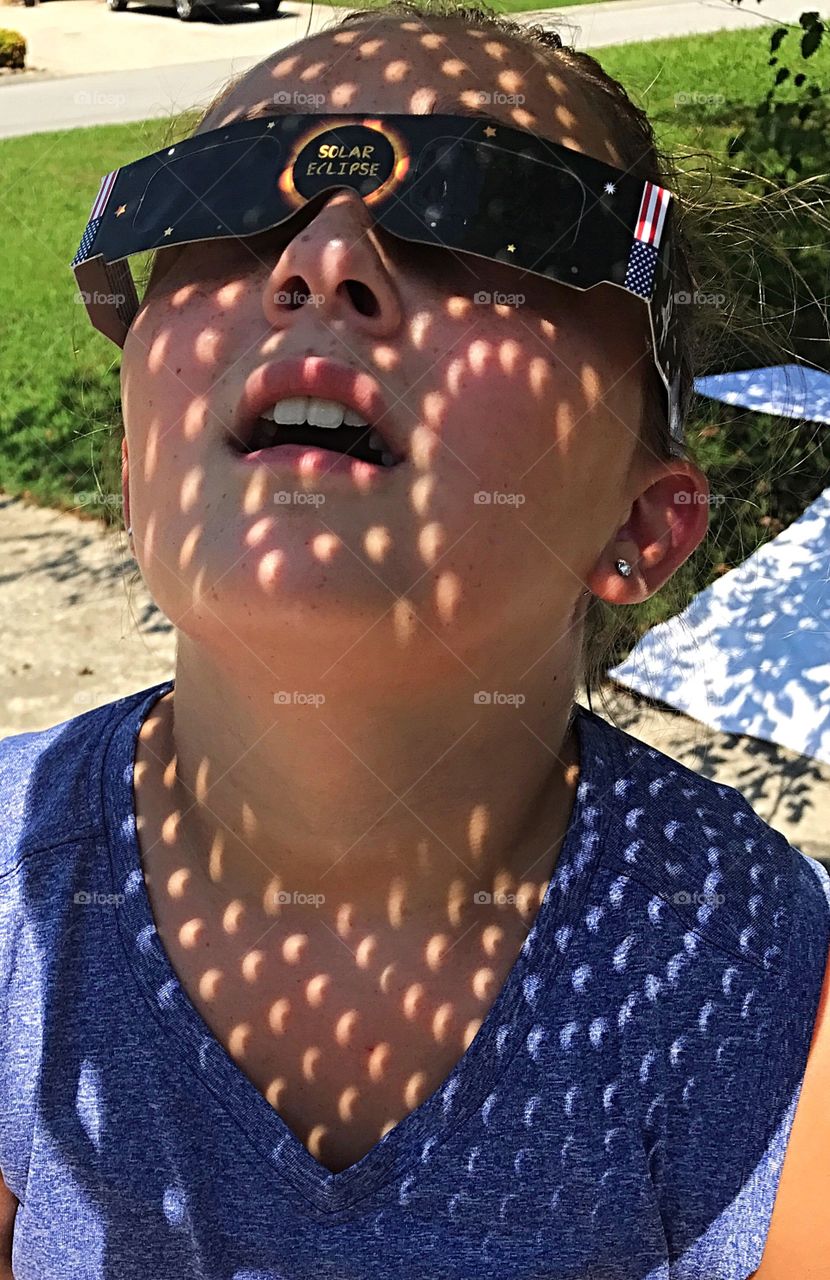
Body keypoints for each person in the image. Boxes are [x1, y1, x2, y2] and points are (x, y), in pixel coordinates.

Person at [1, 3, 828, 1277]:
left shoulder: (760, 976)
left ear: (642, 524)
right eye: (226, 202)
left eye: (482, 214)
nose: (323, 257)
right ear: (130, 461)